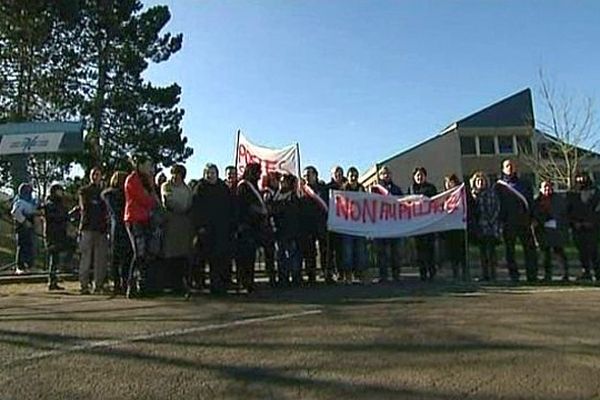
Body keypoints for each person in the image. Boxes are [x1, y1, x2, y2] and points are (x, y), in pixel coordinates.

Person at [191, 163, 236, 295]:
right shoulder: (200, 188)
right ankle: (199, 283)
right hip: (205, 230)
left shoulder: (223, 188)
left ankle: (218, 285)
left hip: (221, 229)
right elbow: (196, 209)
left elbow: (230, 207)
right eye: (208, 173)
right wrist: (199, 226)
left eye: (213, 172)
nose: (210, 175)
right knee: (201, 258)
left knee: (218, 259)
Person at [495, 159, 538, 283]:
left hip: (524, 221)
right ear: (503, 169)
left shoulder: (525, 184)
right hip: (508, 222)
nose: (510, 168)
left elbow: (531, 202)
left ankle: (532, 275)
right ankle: (514, 275)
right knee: (510, 251)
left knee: (530, 250)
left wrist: (533, 217)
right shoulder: (498, 186)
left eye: (512, 166)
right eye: (507, 166)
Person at [124, 155, 160, 298]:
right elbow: (144, 199)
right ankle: (131, 285)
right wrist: (153, 200)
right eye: (147, 164)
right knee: (139, 252)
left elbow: (152, 197)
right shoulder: (132, 180)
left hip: (146, 219)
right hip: (134, 219)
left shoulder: (147, 180)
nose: (150, 168)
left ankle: (144, 285)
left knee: (147, 253)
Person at [161, 164, 194, 293]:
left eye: (178, 174)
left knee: (182, 255)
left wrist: (185, 209)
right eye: (173, 173)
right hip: (171, 222)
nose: (175, 177)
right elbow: (168, 200)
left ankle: (180, 282)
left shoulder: (187, 189)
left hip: (184, 225)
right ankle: (169, 282)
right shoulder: (166, 186)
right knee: (170, 254)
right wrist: (180, 207)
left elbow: (189, 202)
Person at [236, 163, 266, 293]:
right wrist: (258, 211)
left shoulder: (254, 186)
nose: (259, 175)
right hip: (245, 226)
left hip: (254, 227)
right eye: (257, 172)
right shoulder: (243, 186)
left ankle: (250, 281)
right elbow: (243, 206)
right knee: (244, 257)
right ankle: (244, 281)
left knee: (250, 256)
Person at [78, 167, 109, 294]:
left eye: (98, 174)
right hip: (88, 227)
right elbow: (85, 208)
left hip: (101, 229)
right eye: (94, 174)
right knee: (86, 258)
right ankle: (84, 285)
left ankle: (98, 285)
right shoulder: (84, 191)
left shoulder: (103, 192)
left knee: (100, 259)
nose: (96, 176)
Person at [371, 165, 403, 283]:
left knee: (395, 252)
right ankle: (383, 275)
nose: (386, 175)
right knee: (382, 252)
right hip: (380, 226)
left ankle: (396, 274)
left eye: (388, 173)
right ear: (379, 176)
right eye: (383, 173)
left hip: (394, 225)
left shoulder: (397, 190)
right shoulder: (375, 190)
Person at [533, 180, 570, 282]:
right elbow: (534, 214)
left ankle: (565, 274)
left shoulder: (558, 199)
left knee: (559, 252)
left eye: (548, 187)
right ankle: (547, 275)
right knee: (546, 254)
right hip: (543, 230)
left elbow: (563, 213)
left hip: (557, 230)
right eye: (544, 187)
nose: (547, 189)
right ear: (540, 189)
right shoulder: (537, 201)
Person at [102, 171, 131, 294]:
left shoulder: (109, 195)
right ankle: (121, 283)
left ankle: (119, 283)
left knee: (118, 257)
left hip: (117, 225)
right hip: (122, 225)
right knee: (122, 257)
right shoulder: (116, 195)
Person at [468, 172, 501, 282]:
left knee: (491, 252)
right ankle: (485, 274)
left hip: (491, 227)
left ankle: (493, 274)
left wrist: (491, 220)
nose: (480, 183)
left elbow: (497, 207)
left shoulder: (491, 193)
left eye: (482, 181)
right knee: (482, 253)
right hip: (479, 227)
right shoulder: (473, 195)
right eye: (478, 181)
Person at [299, 166, 330, 285]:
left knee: (324, 250)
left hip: (321, 222)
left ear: (315, 175)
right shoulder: (302, 189)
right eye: (305, 175)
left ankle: (326, 273)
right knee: (310, 251)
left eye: (309, 174)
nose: (307, 177)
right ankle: (311, 275)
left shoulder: (323, 188)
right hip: (307, 224)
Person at [567, 171, 600, 281]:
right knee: (582, 252)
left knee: (594, 252)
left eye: (583, 177)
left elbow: (598, 209)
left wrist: (592, 222)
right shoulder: (573, 193)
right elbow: (569, 210)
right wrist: (573, 223)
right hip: (577, 228)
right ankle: (586, 272)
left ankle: (598, 272)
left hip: (592, 228)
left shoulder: (595, 192)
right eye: (579, 177)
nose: (581, 180)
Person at [272, 173, 303, 286]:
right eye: (280, 181)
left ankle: (296, 277)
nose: (281, 183)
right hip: (279, 231)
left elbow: (291, 213)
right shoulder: (276, 195)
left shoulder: (292, 196)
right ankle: (283, 277)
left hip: (291, 231)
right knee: (281, 256)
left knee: (293, 255)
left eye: (283, 181)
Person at [408, 167, 438, 281]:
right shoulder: (411, 189)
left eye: (421, 175)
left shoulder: (431, 188)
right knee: (420, 250)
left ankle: (432, 271)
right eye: (417, 175)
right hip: (417, 225)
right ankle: (423, 272)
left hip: (429, 223)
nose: (419, 177)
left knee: (430, 249)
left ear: (425, 176)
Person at [340, 166, 368, 284]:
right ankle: (348, 275)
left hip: (359, 226)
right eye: (351, 175)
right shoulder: (343, 190)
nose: (353, 177)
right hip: (347, 226)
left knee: (360, 251)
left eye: (355, 175)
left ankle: (360, 274)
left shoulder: (362, 189)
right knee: (348, 252)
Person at [443, 174, 468, 281]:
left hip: (460, 227)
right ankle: (455, 272)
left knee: (462, 251)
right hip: (450, 228)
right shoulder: (444, 196)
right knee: (453, 251)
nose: (448, 185)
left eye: (450, 182)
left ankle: (465, 272)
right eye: (447, 183)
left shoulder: (462, 194)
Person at [43, 184, 68, 290]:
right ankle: (52, 280)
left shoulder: (59, 204)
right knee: (54, 258)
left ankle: (53, 280)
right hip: (52, 234)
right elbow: (54, 217)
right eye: (59, 190)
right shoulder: (50, 204)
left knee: (56, 258)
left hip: (59, 233)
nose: (61, 193)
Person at [11, 183, 38, 275]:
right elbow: (15, 213)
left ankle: (30, 265)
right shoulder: (19, 202)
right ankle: (20, 266)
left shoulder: (30, 202)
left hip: (30, 225)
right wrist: (24, 221)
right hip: (22, 227)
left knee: (30, 245)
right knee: (22, 245)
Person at [325, 165, 347, 282]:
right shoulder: (328, 188)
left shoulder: (347, 187)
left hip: (345, 224)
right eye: (336, 173)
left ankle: (341, 272)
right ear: (332, 175)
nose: (338, 175)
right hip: (332, 223)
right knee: (330, 250)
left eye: (340, 173)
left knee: (342, 250)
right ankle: (329, 273)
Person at [261, 171, 280, 286]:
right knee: (270, 253)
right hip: (268, 227)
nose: (275, 182)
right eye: (272, 180)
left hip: (280, 226)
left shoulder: (282, 192)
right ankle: (271, 275)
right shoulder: (266, 193)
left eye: (276, 180)